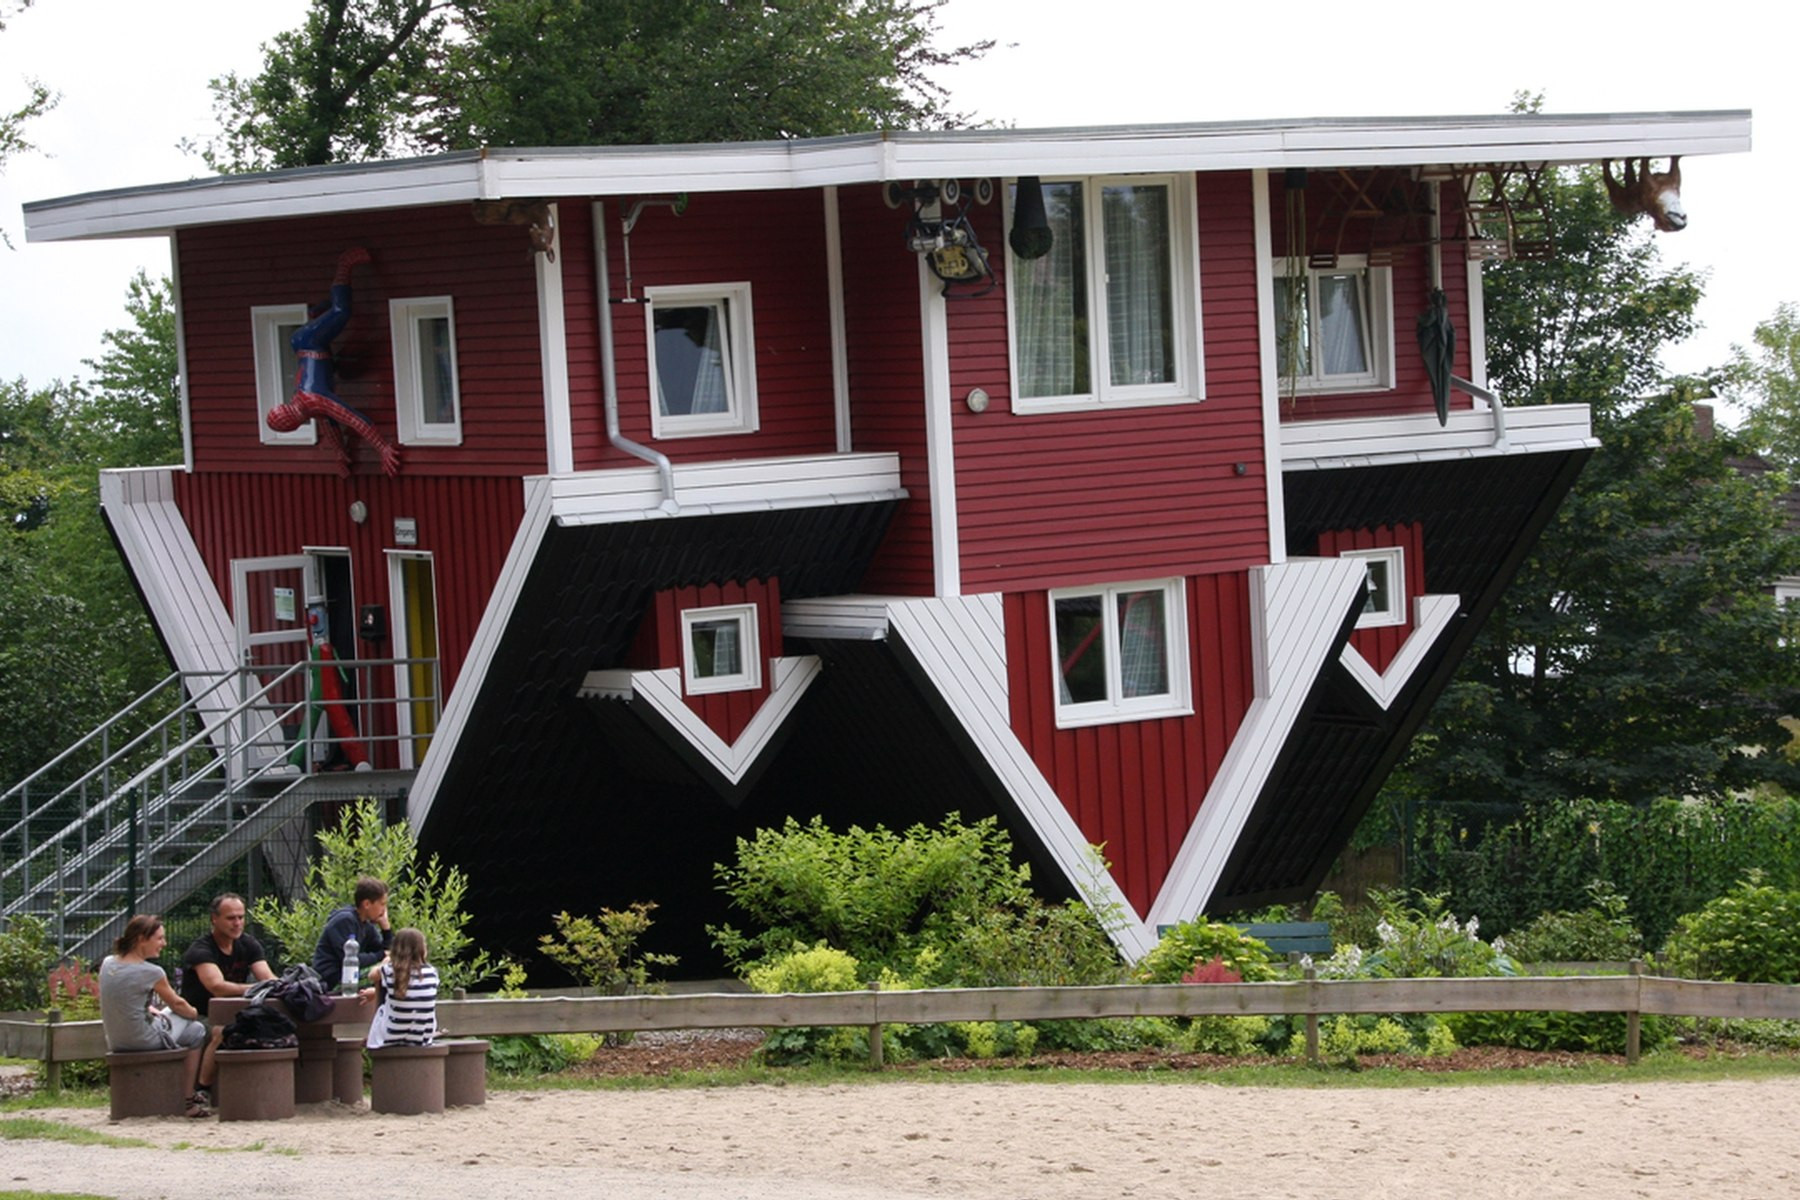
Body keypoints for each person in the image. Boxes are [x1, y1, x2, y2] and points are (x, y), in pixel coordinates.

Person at [263, 246, 403, 478]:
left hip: (309, 340)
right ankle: (320, 313)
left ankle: (344, 266)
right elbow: (329, 424)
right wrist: (340, 453)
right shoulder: (308, 407)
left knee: (342, 312)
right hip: (314, 345)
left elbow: (353, 418)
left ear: (295, 425)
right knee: (347, 364)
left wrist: (383, 448)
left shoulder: (313, 399)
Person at [98, 914, 210, 1117]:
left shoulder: (107, 964)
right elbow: (178, 1005)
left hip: (116, 1041)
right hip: (144, 1040)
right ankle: (187, 1100)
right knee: (197, 1028)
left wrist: (148, 1008)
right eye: (159, 938)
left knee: (183, 1026)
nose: (164, 943)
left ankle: (185, 1096)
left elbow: (121, 998)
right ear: (142, 938)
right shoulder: (152, 972)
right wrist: (195, 1012)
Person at [179, 892, 275, 1107]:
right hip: (198, 1016)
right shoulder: (201, 950)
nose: (237, 923)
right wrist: (258, 988)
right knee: (222, 1030)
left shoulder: (248, 944)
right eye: (231, 918)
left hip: (235, 1014)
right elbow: (217, 987)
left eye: (241, 917)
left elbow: (268, 978)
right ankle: (202, 1091)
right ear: (214, 919)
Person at [311, 875, 394, 988]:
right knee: (385, 972)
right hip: (333, 980)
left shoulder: (366, 924)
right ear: (367, 904)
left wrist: (386, 929)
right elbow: (351, 961)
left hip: (350, 975)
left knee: (390, 967)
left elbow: (387, 951)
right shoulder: (345, 921)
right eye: (382, 904)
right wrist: (381, 955)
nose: (384, 910)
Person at [362, 927, 438, 1048]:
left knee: (383, 993)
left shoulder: (389, 970)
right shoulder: (432, 972)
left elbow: (372, 975)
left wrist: (385, 961)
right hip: (422, 1036)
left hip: (390, 1035)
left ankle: (373, 1041)